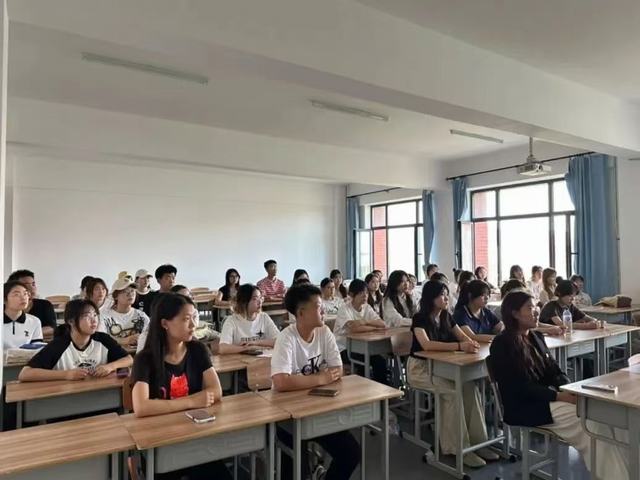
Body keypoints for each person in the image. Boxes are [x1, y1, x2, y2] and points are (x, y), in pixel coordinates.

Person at [490, 290, 628, 479]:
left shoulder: (535, 337)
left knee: (613, 420)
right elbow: (520, 388)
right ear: (514, 313)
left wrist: (569, 389)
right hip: (525, 406)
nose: (536, 311)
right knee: (592, 424)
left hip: (548, 399)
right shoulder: (502, 344)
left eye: (535, 307)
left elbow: (554, 371)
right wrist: (559, 396)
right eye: (529, 308)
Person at [131, 293, 232, 479]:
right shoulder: (145, 359)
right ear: (165, 323)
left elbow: (216, 390)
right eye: (186, 319)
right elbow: (141, 407)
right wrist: (192, 402)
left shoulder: (198, 349)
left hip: (196, 437)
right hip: (159, 442)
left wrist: (169, 405)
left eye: (194, 317)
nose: (193, 325)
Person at [271, 284, 360, 480]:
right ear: (301, 313)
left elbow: (337, 370)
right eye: (318, 306)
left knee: (351, 453)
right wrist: (321, 378)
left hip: (318, 409)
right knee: (297, 469)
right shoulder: (286, 338)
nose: (324, 310)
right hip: (288, 415)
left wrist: (303, 381)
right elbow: (281, 382)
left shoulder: (324, 332)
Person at [407, 280, 493, 468]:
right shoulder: (420, 318)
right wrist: (460, 346)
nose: (446, 298)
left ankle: (479, 443)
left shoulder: (446, 316)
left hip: (442, 366)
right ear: (431, 298)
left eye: (447, 294)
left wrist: (470, 343)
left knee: (469, 388)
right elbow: (426, 345)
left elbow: (462, 336)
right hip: (420, 369)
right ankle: (458, 448)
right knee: (452, 393)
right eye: (442, 295)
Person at [19, 299, 132, 381]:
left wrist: (110, 367)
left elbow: (129, 359)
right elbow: (25, 374)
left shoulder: (103, 339)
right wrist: (66, 374)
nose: (94, 320)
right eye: (87, 316)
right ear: (71, 321)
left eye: (95, 315)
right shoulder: (59, 344)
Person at [334, 279, 387, 383]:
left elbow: (382, 324)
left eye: (366, 292)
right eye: (361, 293)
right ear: (352, 294)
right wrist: (373, 326)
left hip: (363, 346)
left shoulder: (367, 307)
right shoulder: (344, 309)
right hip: (344, 348)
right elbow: (353, 328)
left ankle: (382, 388)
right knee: (363, 363)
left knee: (380, 361)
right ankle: (363, 388)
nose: (365, 296)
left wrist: (365, 322)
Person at [218, 284, 279, 354]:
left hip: (261, 358)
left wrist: (256, 343)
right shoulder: (231, 321)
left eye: (260, 298)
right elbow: (223, 348)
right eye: (255, 299)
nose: (260, 302)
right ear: (244, 302)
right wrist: (248, 348)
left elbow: (280, 340)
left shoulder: (264, 317)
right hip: (239, 359)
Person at [99, 278, 150, 348]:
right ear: (115, 296)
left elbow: (150, 336)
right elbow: (101, 338)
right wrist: (124, 340)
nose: (130, 294)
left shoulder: (142, 316)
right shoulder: (104, 316)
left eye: (132, 291)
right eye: (125, 291)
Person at [7, 269, 56, 336]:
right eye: (25, 285)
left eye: (33, 284)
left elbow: (52, 328)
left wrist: (27, 334)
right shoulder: (5, 307)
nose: (32, 288)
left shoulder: (45, 304)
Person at [3, 280, 43, 349]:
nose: (23, 298)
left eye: (25, 294)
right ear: (4, 299)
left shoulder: (34, 321)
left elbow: (37, 346)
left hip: (25, 356)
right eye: (16, 295)